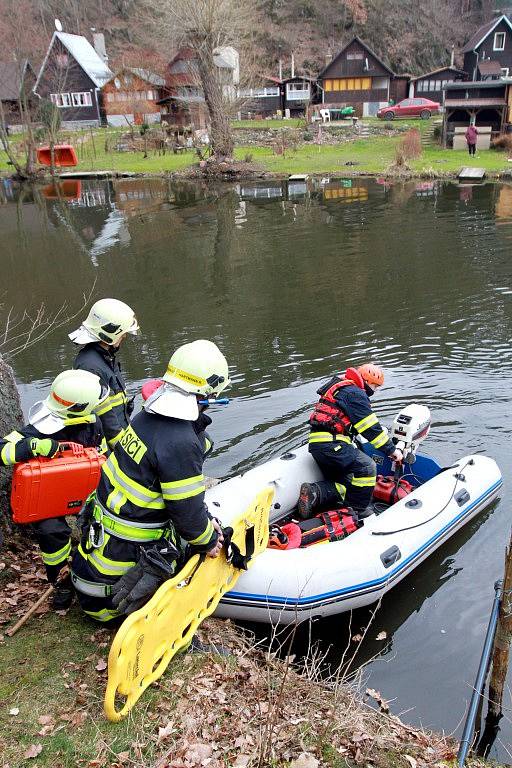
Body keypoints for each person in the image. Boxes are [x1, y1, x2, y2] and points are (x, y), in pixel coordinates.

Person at [71, 339, 230, 624]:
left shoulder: (146, 418)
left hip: (94, 564)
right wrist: (208, 539)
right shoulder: (181, 442)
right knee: (197, 543)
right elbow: (188, 517)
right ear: (209, 391)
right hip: (113, 600)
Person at [0, 370, 108, 609]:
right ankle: (60, 581)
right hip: (48, 495)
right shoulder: (40, 428)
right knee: (51, 531)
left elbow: (102, 455)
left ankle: (92, 572)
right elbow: (2, 450)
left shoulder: (92, 424)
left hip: (84, 489)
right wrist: (33, 447)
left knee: (100, 523)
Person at [298, 363, 403, 521]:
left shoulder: (342, 389)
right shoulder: (355, 394)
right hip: (333, 445)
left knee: (348, 483)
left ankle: (314, 492)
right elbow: (371, 429)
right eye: (375, 386)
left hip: (318, 446)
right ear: (367, 382)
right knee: (367, 467)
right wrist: (392, 451)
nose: (375, 391)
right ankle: (358, 511)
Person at [70, 298, 139, 451]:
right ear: (112, 334)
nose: (125, 337)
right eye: (123, 334)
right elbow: (106, 420)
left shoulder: (105, 358)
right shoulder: (91, 366)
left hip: (121, 433)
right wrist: (124, 452)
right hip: (108, 447)